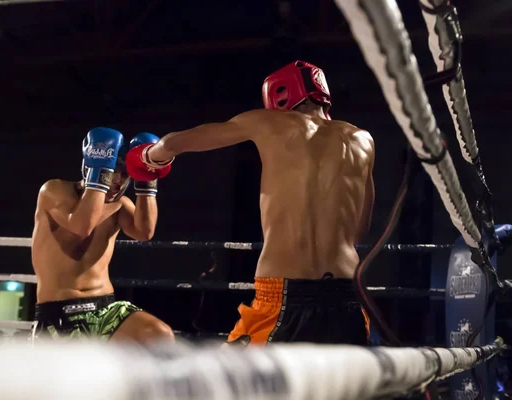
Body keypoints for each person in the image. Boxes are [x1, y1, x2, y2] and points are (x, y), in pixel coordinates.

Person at [127, 61, 375, 345]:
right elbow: (359, 231)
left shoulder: (267, 122)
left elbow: (173, 144)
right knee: (339, 388)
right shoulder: (363, 140)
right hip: (348, 298)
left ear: (279, 95)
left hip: (283, 296)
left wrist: (147, 157)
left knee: (232, 384)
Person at [31, 128, 174, 343]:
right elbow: (82, 226)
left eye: (126, 173)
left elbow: (145, 232)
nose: (118, 180)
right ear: (91, 166)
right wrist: (100, 177)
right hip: (60, 313)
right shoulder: (55, 190)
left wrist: (146, 180)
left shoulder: (121, 205)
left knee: (159, 335)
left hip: (105, 307)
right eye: (113, 171)